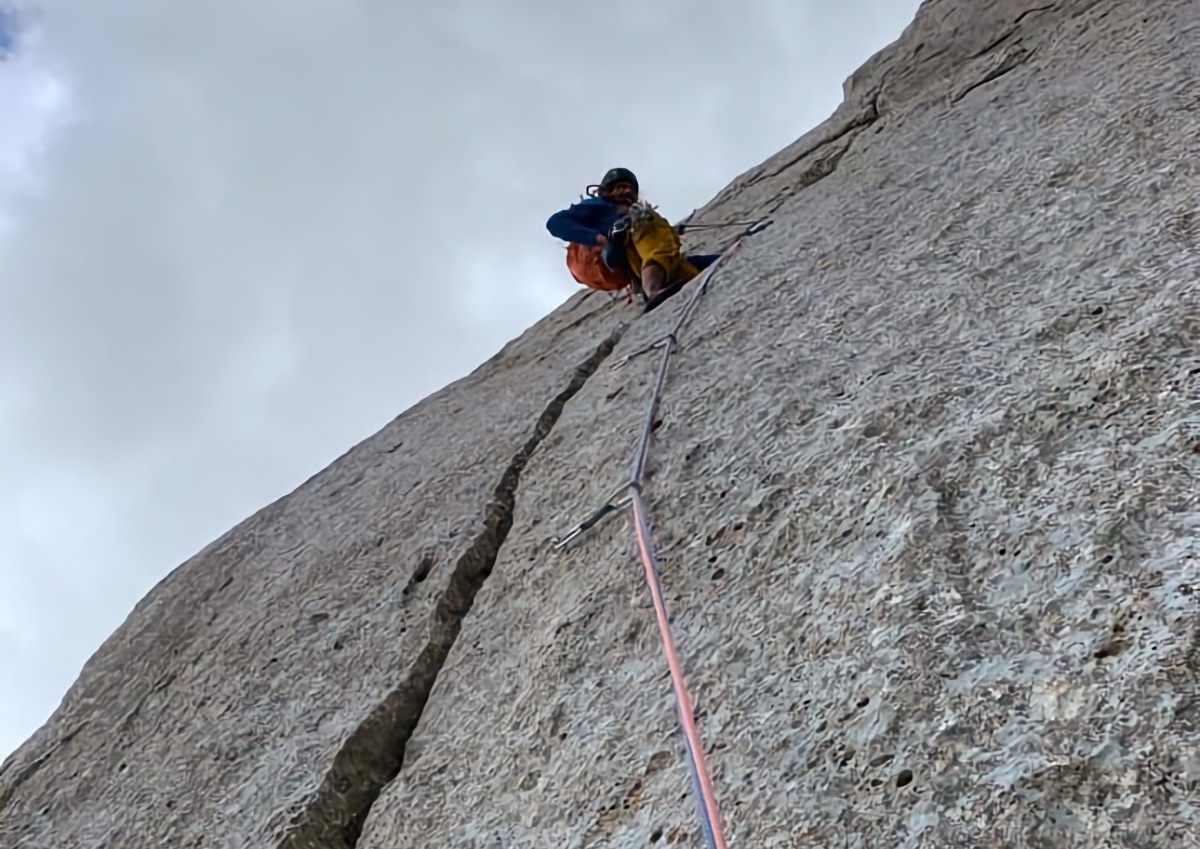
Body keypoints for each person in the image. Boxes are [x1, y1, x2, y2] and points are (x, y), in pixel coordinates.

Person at [546, 168, 720, 312]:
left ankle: (655, 283)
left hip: (634, 262)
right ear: (607, 191)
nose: (626, 191)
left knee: (683, 266)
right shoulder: (599, 206)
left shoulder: (630, 214)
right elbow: (555, 223)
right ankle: (653, 290)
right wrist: (597, 239)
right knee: (646, 219)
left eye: (629, 188)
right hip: (614, 254)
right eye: (620, 186)